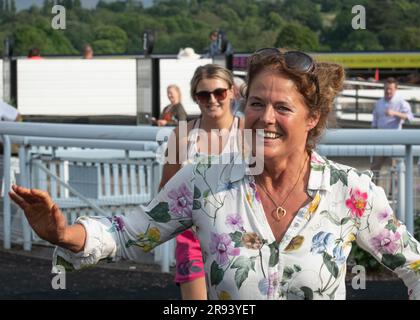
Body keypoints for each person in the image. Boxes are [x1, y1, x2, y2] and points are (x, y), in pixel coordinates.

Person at [9, 48, 420, 300]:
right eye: (256, 104)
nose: (266, 118)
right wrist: (63, 234)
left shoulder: (350, 191)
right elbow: (127, 232)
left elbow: (413, 266)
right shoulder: (205, 181)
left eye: (283, 108)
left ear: (313, 117)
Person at [159, 64, 244, 299]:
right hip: (192, 234)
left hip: (237, 235)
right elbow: (165, 192)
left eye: (219, 92)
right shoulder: (182, 135)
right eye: (203, 94)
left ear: (231, 92)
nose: (212, 100)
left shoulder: (247, 132)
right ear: (195, 98)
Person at [371, 77, 414, 181]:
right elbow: (374, 122)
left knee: (394, 169)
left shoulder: (401, 102)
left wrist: (395, 113)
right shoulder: (379, 103)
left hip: (394, 141)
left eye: (390, 89)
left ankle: (393, 195)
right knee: (374, 168)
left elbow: (410, 117)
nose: (388, 91)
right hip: (380, 139)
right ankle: (373, 192)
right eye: (386, 88)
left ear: (396, 89)